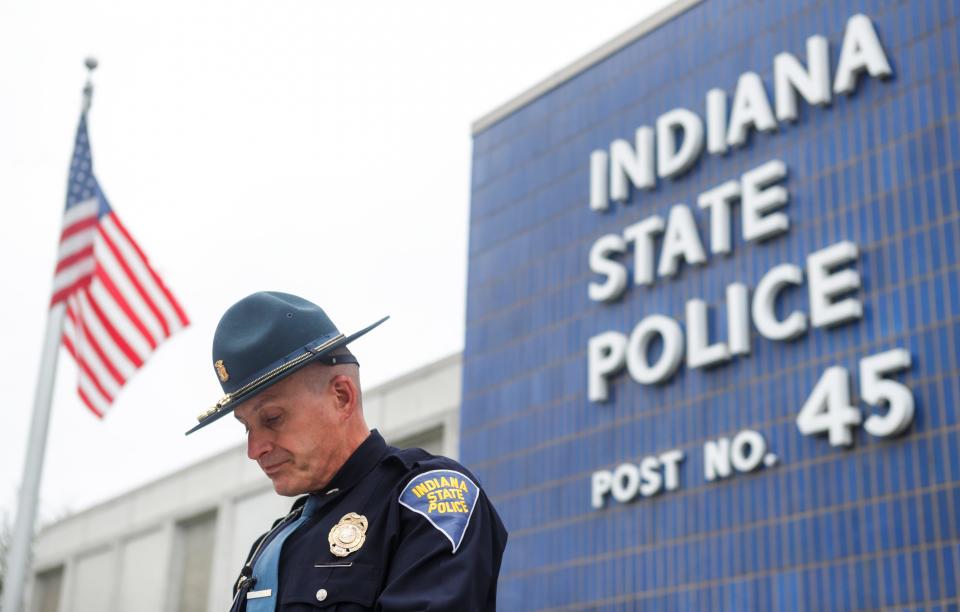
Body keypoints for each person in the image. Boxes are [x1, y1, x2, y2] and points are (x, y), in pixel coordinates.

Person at [186, 291, 507, 611]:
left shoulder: (425, 501)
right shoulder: (270, 546)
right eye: (246, 427)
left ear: (341, 396)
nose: (254, 449)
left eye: (272, 418)